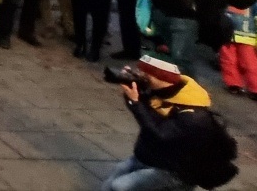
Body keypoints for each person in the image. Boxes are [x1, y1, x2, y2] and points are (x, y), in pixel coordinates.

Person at [100, 55, 238, 191]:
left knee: (121, 186)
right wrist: (131, 90)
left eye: (145, 73)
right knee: (109, 185)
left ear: (162, 77)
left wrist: (136, 103)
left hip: (174, 170)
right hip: (149, 157)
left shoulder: (193, 115)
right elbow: (145, 113)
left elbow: (161, 134)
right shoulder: (157, 90)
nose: (141, 75)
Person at [218, 0, 257, 97]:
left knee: (250, 63)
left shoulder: (252, 1)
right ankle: (233, 84)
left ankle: (255, 87)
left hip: (247, 37)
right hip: (226, 35)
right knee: (228, 60)